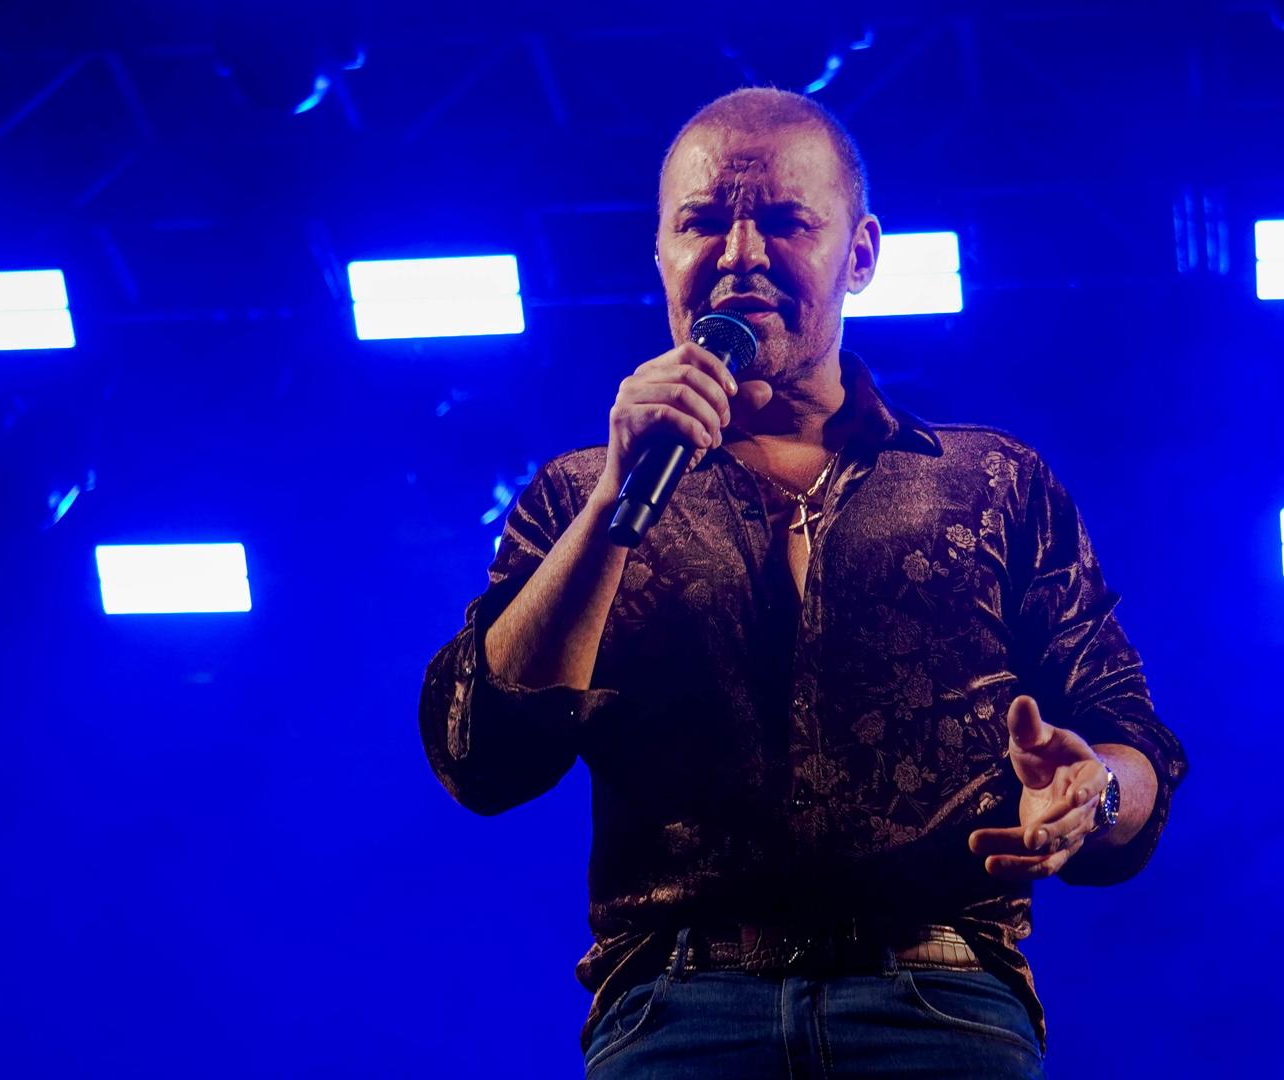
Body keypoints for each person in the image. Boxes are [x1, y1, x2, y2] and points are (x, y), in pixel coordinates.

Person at [418, 86, 1187, 1078]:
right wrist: (616, 494)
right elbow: (479, 757)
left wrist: (1096, 792)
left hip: (938, 1002)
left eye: (785, 220)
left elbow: (1130, 736)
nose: (740, 254)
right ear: (662, 253)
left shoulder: (993, 482)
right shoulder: (577, 494)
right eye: (702, 222)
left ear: (859, 254)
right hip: (675, 1011)